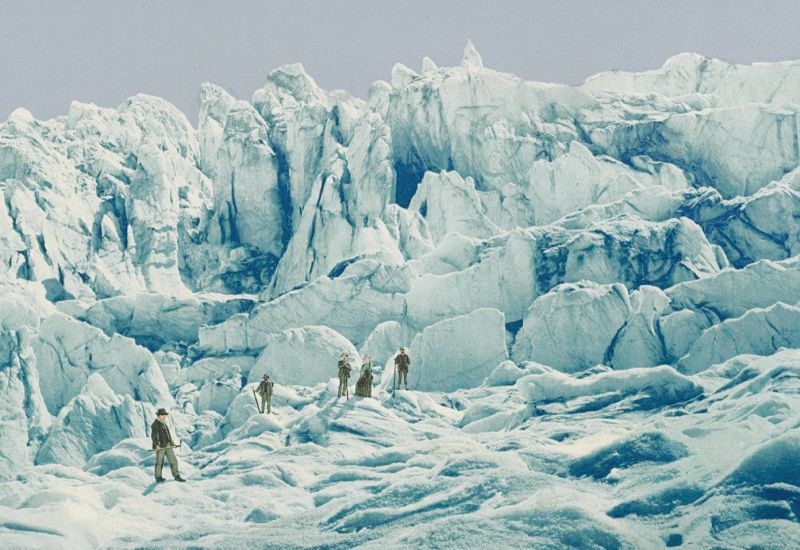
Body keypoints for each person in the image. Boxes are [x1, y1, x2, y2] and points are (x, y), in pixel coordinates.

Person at [150, 408, 185, 483]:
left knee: (173, 460)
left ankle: (176, 475)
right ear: (159, 415)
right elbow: (154, 435)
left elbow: (168, 435)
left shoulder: (164, 424)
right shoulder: (155, 424)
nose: (164, 416)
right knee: (159, 461)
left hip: (168, 445)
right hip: (160, 446)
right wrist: (156, 445)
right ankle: (158, 477)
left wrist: (172, 443)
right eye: (163, 415)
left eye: (165, 415)